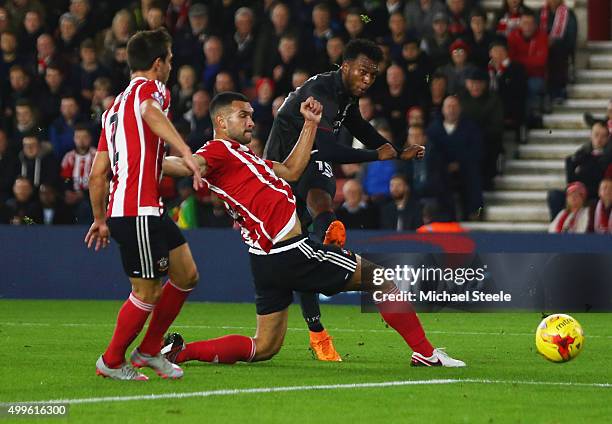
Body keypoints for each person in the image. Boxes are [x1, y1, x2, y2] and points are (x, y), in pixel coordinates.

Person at [160, 91, 463, 368]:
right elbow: (188, 165)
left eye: (252, 114)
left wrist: (309, 124)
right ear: (220, 121)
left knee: (264, 346)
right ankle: (425, 353)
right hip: (289, 249)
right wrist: (147, 160)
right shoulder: (218, 152)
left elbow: (292, 169)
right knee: (382, 279)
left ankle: (180, 352)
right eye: (243, 115)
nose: (252, 121)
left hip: (264, 258)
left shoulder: (245, 157)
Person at [263, 39, 419, 361]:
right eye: (363, 72)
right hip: (281, 170)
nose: (367, 80)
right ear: (345, 66)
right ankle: (317, 329)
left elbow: (358, 125)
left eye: (373, 76)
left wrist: (396, 150)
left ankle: (326, 231)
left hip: (310, 159)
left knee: (317, 206)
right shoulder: (321, 93)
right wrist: (375, 155)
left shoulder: (345, 96)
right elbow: (333, 150)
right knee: (300, 248)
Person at [85, 28, 204, 381]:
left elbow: (98, 173)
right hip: (136, 211)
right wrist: (185, 150)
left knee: (186, 274)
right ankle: (110, 360)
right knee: (148, 290)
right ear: (158, 64)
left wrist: (99, 219)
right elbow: (150, 110)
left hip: (142, 210)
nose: (171, 65)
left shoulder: (113, 109)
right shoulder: (150, 91)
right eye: (169, 59)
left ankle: (150, 350)